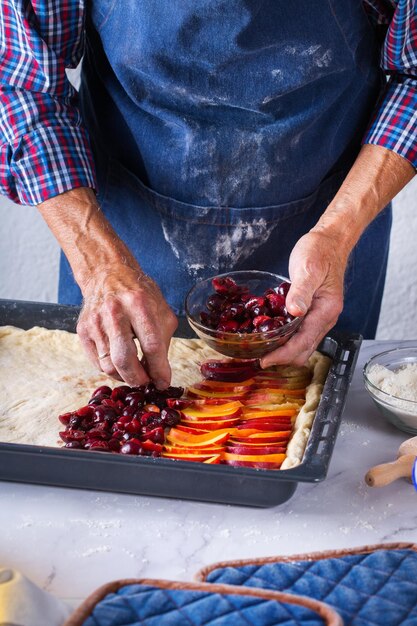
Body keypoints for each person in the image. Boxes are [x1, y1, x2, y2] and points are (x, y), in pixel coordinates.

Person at [0, 1, 416, 390]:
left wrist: (337, 233)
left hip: (332, 220)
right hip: (122, 236)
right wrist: (99, 266)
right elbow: (21, 84)